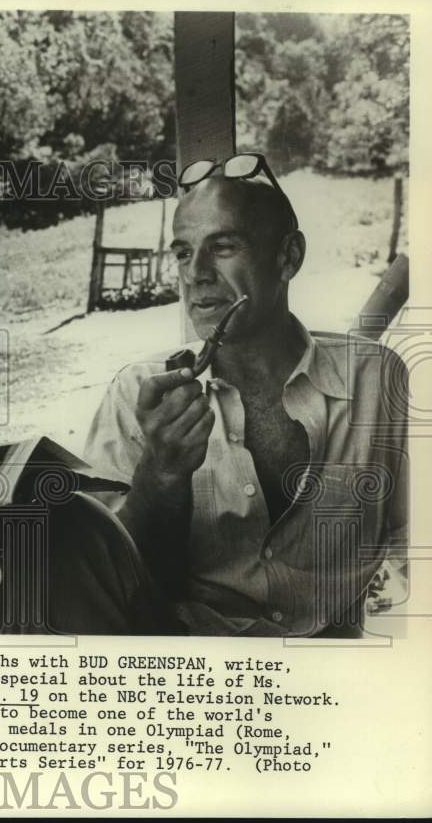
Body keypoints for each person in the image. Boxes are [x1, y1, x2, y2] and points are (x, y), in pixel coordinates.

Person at [78, 156, 408, 637]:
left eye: (224, 246)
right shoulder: (138, 394)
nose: (196, 275)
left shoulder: (378, 383)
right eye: (183, 253)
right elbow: (107, 586)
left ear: (288, 256)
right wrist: (161, 474)